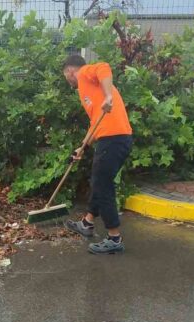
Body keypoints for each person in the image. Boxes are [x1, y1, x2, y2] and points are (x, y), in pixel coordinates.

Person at [62, 55, 133, 255]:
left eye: (65, 76)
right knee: (98, 180)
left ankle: (114, 238)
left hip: (114, 138)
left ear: (69, 71)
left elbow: (104, 67)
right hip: (110, 139)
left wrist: (109, 95)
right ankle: (87, 223)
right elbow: (95, 122)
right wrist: (82, 147)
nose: (67, 80)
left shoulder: (84, 73)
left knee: (102, 185)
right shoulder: (88, 91)